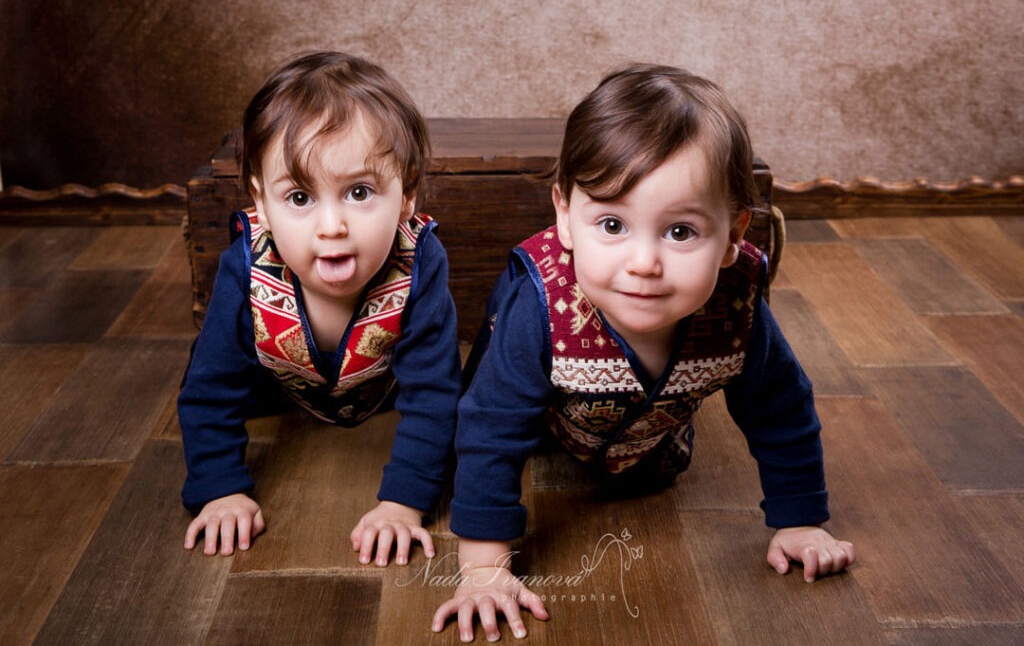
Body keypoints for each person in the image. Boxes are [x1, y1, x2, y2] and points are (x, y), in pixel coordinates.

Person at [432, 64, 856, 641]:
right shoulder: (542, 303)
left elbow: (781, 409)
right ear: (564, 216)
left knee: (667, 453)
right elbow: (491, 426)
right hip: (548, 426)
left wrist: (801, 521)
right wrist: (484, 568)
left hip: (653, 439)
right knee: (492, 410)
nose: (643, 263)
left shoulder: (737, 306)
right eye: (612, 224)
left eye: (680, 232)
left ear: (734, 235)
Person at [178, 51, 461, 568]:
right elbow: (209, 387)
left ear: (406, 195)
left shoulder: (419, 262)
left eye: (359, 192)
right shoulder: (246, 266)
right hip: (278, 389)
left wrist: (403, 503)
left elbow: (435, 395)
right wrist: (218, 489)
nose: (331, 226)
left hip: (383, 392)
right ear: (261, 203)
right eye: (300, 197)